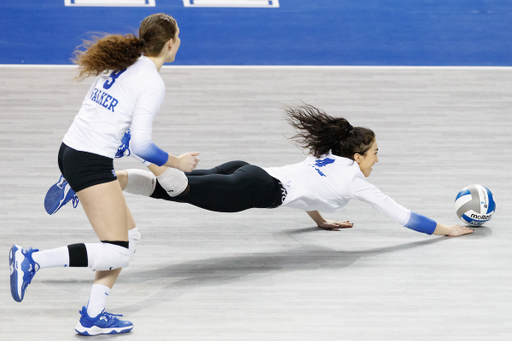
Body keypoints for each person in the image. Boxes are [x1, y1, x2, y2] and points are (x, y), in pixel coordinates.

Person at [10, 13, 199, 336]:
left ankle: (93, 315)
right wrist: (176, 163)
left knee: (128, 241)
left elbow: (117, 123)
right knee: (117, 249)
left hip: (72, 150)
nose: (179, 42)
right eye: (178, 37)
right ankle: (32, 259)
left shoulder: (125, 61)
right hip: (88, 162)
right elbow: (142, 145)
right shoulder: (152, 82)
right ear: (170, 44)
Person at [115, 104, 473, 236]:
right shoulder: (352, 179)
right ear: (359, 155)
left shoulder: (327, 157)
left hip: (248, 171)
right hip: (256, 190)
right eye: (376, 153)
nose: (378, 159)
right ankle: (143, 151)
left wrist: (320, 222)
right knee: (182, 190)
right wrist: (447, 230)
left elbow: (308, 191)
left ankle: (107, 178)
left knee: (170, 191)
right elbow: (401, 215)